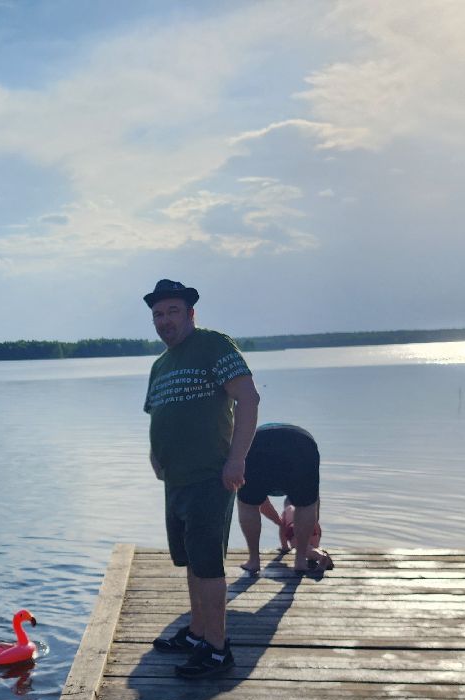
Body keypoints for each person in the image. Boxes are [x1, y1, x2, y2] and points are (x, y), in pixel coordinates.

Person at [143, 278, 259, 678]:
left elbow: (248, 398)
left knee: (209, 564)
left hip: (211, 475)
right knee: (192, 559)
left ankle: (216, 648)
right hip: (175, 480)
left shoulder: (213, 345)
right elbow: (159, 414)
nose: (165, 320)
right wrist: (155, 454)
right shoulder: (160, 364)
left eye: (173, 311)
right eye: (158, 314)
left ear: (191, 313)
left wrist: (236, 460)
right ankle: (196, 633)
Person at [236, 422, 335, 578]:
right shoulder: (294, 494)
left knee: (247, 503)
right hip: (302, 443)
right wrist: (313, 524)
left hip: (256, 443)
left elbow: (256, 502)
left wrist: (278, 522)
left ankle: (254, 560)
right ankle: (301, 559)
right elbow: (311, 501)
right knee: (306, 503)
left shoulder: (262, 485)